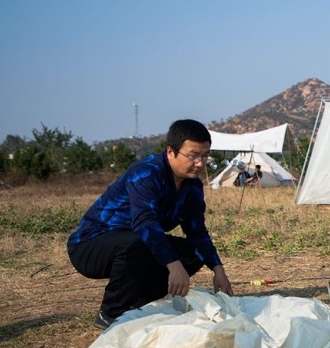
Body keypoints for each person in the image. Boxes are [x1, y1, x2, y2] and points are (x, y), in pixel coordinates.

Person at [67, 119, 234, 330]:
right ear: (170, 152)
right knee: (138, 243)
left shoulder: (192, 186)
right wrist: (173, 266)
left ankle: (136, 305)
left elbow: (197, 231)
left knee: (192, 254)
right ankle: (111, 313)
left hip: (136, 244)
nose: (200, 163)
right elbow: (145, 224)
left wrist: (218, 270)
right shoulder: (146, 173)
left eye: (204, 155)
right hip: (91, 245)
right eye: (192, 155)